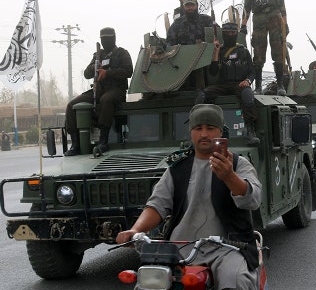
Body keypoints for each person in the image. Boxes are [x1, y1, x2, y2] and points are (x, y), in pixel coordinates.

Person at [115, 104, 261, 289]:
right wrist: (135, 230)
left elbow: (253, 199)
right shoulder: (177, 167)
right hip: (179, 248)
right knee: (147, 283)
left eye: (210, 128)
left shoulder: (238, 164)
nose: (204, 134)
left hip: (227, 248)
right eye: (198, 128)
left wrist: (229, 176)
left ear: (221, 132)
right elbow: (157, 204)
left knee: (236, 279)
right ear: (191, 132)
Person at [65, 27, 133, 156]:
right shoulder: (98, 55)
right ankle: (75, 144)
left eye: (108, 38)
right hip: (99, 90)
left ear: (114, 39)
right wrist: (94, 67)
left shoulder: (122, 53)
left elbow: (129, 71)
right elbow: (86, 74)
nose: (105, 41)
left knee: (106, 100)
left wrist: (108, 73)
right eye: (103, 39)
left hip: (116, 90)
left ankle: (103, 140)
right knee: (71, 105)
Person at [205, 22, 260, 146]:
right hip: (223, 85)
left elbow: (252, 72)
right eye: (228, 33)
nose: (231, 35)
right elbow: (213, 72)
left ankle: (251, 131)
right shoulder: (219, 50)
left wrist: (248, 81)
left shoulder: (244, 51)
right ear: (223, 34)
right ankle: (203, 127)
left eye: (233, 33)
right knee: (204, 94)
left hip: (239, 84)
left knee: (247, 95)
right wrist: (215, 52)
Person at [242, 0, 288, 95]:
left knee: (278, 50)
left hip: (275, 17)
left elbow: (281, 3)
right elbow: (246, 7)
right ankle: (257, 87)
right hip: (258, 18)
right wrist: (243, 25)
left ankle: (280, 85)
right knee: (258, 52)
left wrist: (285, 23)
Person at [166, 0, 217, 103]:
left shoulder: (206, 20)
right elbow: (170, 42)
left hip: (203, 61)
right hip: (182, 62)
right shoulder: (177, 24)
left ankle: (202, 91)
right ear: (183, 7)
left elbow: (215, 38)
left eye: (192, 5)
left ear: (197, 6)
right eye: (187, 5)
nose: (190, 8)